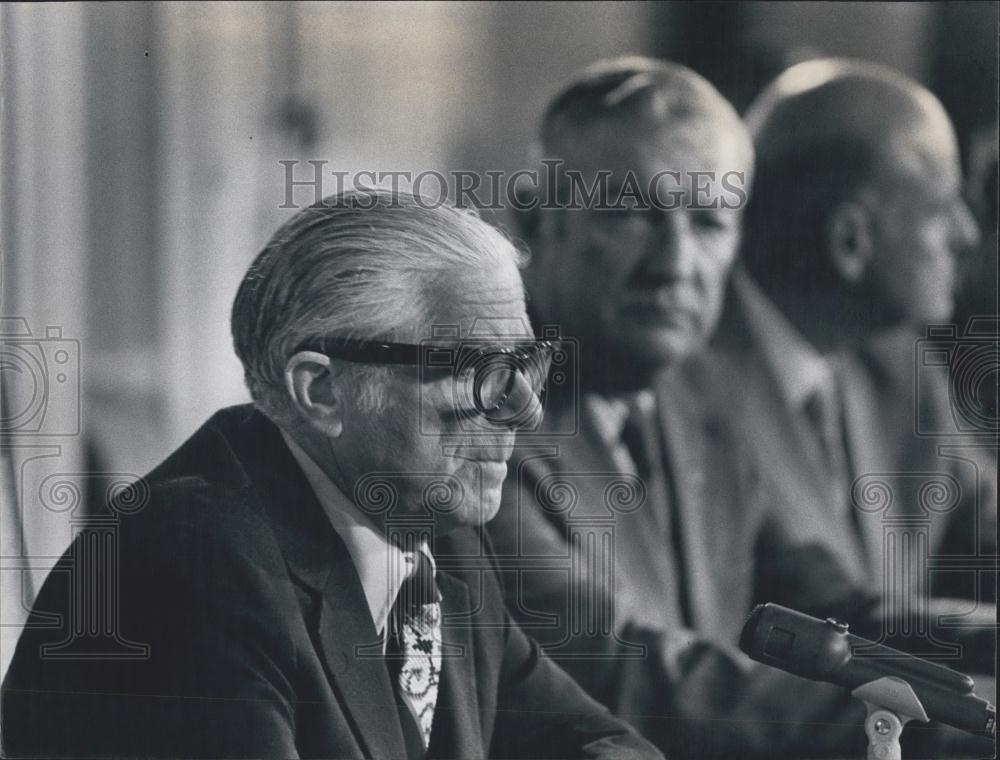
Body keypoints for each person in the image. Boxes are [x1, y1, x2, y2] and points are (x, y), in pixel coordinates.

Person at [1, 190, 662, 759]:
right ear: (322, 391)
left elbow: (600, 742)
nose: (526, 406)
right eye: (483, 372)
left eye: (527, 363)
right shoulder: (191, 566)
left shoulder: (439, 536)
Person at [489, 56, 895, 760]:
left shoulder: (700, 394)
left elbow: (836, 611)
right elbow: (620, 671)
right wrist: (922, 726)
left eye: (709, 222)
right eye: (630, 212)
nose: (675, 262)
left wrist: (974, 676)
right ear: (534, 219)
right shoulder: (482, 420)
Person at [714, 58, 997, 618]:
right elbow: (832, 615)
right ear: (849, 241)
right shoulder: (686, 387)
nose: (967, 233)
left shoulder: (897, 363)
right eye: (943, 207)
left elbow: (989, 528)